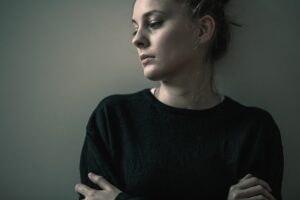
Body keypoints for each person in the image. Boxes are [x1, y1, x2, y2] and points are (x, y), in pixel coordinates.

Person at [75, 0, 284, 199]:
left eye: (154, 23)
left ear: (202, 30)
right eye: (135, 28)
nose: (136, 39)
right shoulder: (113, 118)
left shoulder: (254, 130)